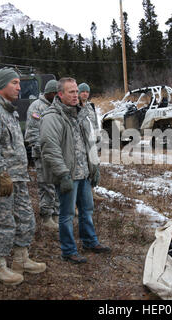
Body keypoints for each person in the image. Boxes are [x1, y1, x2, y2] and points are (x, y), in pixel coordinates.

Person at [0, 67, 46, 286]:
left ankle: (21, 260)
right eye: (14, 82)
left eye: (18, 82)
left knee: (26, 218)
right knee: (2, 223)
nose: (19, 87)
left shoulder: (8, 110)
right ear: (1, 85)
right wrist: (1, 173)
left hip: (18, 177)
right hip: (0, 180)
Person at [40, 77, 111, 265]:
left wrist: (94, 167)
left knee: (87, 210)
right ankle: (68, 251)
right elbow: (50, 149)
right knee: (67, 215)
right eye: (70, 92)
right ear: (60, 94)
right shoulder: (52, 117)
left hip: (84, 175)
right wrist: (63, 174)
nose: (75, 95)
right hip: (68, 176)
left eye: (76, 91)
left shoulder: (82, 114)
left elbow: (90, 144)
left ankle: (90, 242)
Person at [25, 79, 60, 230]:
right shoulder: (36, 107)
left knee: (57, 185)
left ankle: (56, 214)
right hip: (43, 155)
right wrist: (45, 152)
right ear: (50, 93)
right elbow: (32, 134)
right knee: (46, 185)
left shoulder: (57, 105)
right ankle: (46, 216)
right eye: (56, 93)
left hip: (57, 154)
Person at [78, 82, 104, 202]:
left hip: (92, 141)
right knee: (84, 169)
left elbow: (95, 123)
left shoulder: (90, 106)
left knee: (94, 167)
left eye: (87, 92)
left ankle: (91, 190)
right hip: (81, 143)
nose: (85, 94)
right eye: (82, 91)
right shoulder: (76, 107)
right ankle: (80, 198)